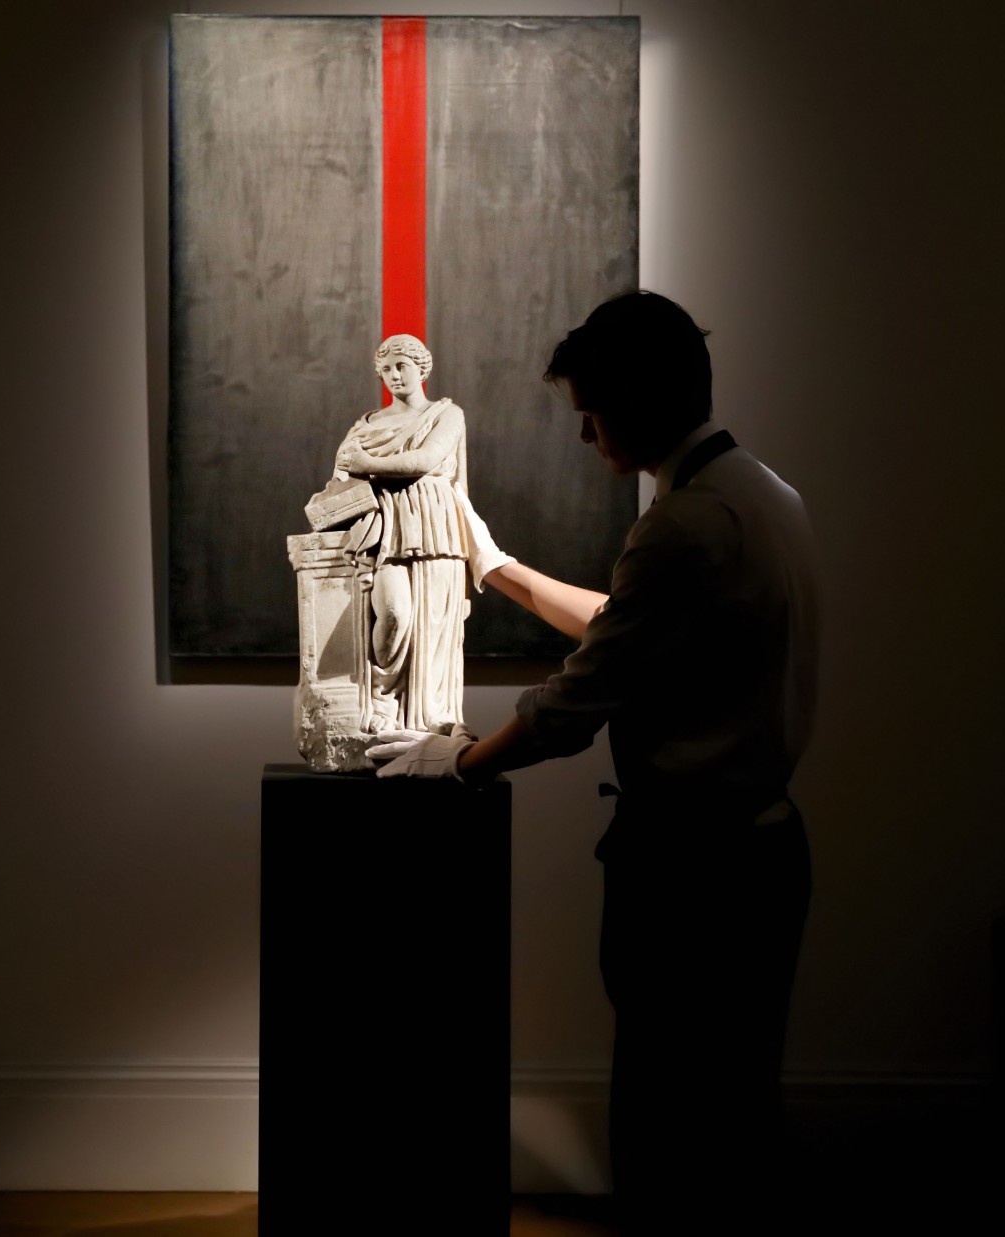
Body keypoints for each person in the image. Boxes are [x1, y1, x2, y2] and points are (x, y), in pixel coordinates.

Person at [370, 292, 820, 1218]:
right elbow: (633, 626)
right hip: (764, 853)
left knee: (668, 1122)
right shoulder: (764, 496)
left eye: (593, 411)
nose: (585, 434)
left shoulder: (686, 524)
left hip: (694, 874)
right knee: (732, 1108)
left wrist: (457, 761)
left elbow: (574, 706)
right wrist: (499, 568)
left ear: (639, 399)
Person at [330, 333, 471, 734]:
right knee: (394, 613)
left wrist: (367, 463)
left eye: (402, 366)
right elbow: (340, 476)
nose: (394, 375)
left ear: (421, 369)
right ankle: (381, 698)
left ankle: (431, 717)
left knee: (435, 624)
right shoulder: (366, 425)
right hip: (384, 529)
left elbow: (427, 459)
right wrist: (348, 473)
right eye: (386, 369)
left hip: (435, 527)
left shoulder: (447, 414)